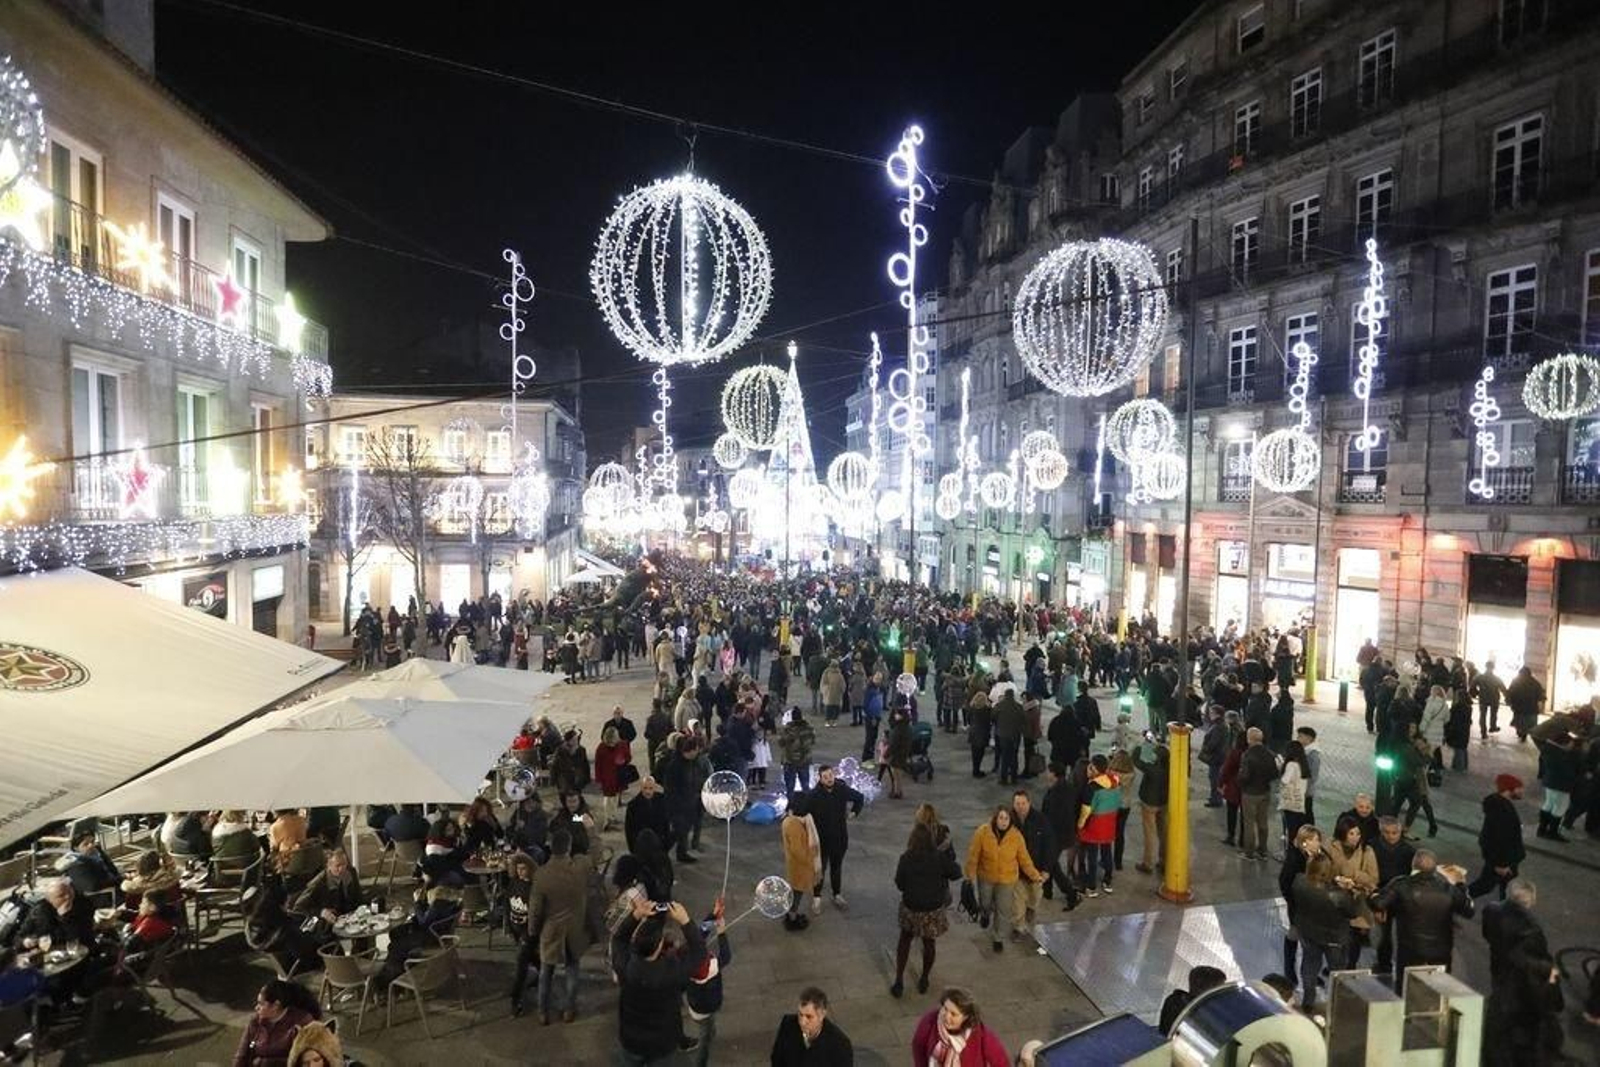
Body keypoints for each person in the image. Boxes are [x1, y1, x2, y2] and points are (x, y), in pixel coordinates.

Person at [612, 896, 707, 1066]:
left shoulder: (625, 966)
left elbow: (619, 938)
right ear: (658, 947)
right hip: (662, 1042)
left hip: (632, 1039)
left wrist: (636, 915)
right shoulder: (673, 971)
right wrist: (685, 921)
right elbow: (699, 953)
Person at [1482, 879, 1565, 1066]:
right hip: (1519, 982)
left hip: (1499, 969)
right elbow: (1529, 959)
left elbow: (1488, 934)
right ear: (1531, 901)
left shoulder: (1491, 910)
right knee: (1519, 1022)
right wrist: (1547, 970)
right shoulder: (1531, 929)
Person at [1370, 850, 1473, 981]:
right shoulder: (1448, 889)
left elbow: (1378, 903)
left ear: (1413, 864)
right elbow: (1469, 910)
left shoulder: (1401, 884)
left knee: (1406, 986)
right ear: (1435, 868)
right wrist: (1461, 885)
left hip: (1410, 951)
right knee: (1438, 987)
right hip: (1441, 952)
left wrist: (1373, 894)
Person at [890, 821, 962, 998]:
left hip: (911, 907)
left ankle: (899, 980)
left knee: (905, 940)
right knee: (929, 943)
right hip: (932, 909)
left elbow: (899, 883)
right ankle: (924, 978)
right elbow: (956, 873)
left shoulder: (906, 858)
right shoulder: (938, 858)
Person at [527, 829, 590, 1025]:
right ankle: (569, 1009)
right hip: (575, 927)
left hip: (551, 929)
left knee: (546, 972)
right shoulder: (580, 868)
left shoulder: (542, 875)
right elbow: (595, 852)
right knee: (572, 968)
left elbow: (535, 910)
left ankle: (543, 1012)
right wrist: (590, 829)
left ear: (551, 847)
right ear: (568, 847)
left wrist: (532, 931)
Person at [964, 806, 1043, 954]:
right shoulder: (982, 832)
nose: (1003, 821)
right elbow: (973, 854)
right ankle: (985, 914)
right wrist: (970, 875)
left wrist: (1034, 875)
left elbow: (1024, 859)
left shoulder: (1016, 836)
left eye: (1006, 818)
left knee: (1003, 909)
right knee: (985, 902)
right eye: (1001, 818)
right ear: (995, 818)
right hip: (986, 876)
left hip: (1007, 880)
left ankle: (998, 937)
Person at [1290, 853, 1361, 1009]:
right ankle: (1338, 1003)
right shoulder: (1338, 895)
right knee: (1337, 970)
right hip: (1334, 938)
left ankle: (1308, 1001)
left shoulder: (1298, 882)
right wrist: (1351, 892)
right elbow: (1353, 913)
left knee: (1309, 966)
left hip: (1308, 932)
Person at [807, 766, 864, 912]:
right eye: (825, 777)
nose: (829, 779)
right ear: (820, 778)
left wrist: (853, 813)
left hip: (839, 838)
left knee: (836, 867)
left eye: (831, 775)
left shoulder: (841, 789)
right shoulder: (814, 795)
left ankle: (837, 894)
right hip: (821, 840)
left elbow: (859, 798)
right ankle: (816, 898)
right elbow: (803, 810)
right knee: (820, 869)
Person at [1325, 815, 1379, 967]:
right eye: (1351, 833)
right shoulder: (1330, 846)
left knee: (1354, 938)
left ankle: (1350, 966)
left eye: (1358, 833)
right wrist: (1336, 879)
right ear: (1342, 833)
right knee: (1335, 937)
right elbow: (1323, 870)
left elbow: (1373, 879)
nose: (1356, 837)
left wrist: (1353, 875)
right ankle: (1334, 966)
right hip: (1336, 899)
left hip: (1357, 902)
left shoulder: (1367, 851)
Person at [910, 987, 1008, 1066]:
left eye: (953, 1014)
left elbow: (1001, 1062)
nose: (946, 1016)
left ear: (966, 1017)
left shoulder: (981, 1034)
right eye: (945, 1008)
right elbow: (918, 1047)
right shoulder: (930, 1021)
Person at [1277, 825, 1324, 985]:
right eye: (1313, 840)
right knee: (1295, 935)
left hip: (1315, 907)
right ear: (1304, 842)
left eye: (1317, 839)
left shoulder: (1320, 856)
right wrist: (1294, 901)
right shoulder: (1294, 859)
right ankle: (1289, 970)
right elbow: (1285, 883)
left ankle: (1309, 972)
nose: (1317, 843)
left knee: (1311, 943)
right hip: (1299, 908)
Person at [234, 978, 317, 1067]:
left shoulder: (301, 1022)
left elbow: (303, 1059)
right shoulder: (255, 1022)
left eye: (261, 1004)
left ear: (275, 1005)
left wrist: (265, 1062)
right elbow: (241, 1055)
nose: (256, 1008)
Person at [685, 909, 731, 1067]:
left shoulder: (687, 959)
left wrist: (713, 914)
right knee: (705, 1040)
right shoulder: (709, 968)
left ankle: (710, 1033)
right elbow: (726, 955)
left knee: (707, 1027)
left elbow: (700, 934)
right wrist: (721, 932)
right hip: (706, 1008)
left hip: (694, 1003)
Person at [1468, 775, 1526, 900]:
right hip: (1502, 860)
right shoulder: (1501, 811)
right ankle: (1458, 898)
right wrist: (1500, 864)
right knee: (1485, 886)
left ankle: (1505, 905)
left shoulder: (1501, 805)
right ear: (1509, 789)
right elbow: (1496, 839)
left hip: (1507, 859)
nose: (1522, 791)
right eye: (1519, 788)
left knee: (1506, 885)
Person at [1009, 790, 1055, 935]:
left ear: (1029, 803)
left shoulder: (1041, 820)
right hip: (1016, 871)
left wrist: (1046, 869)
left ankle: (1030, 911)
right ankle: (1018, 927)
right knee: (1017, 903)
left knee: (1034, 899)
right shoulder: (1009, 820)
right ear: (1013, 804)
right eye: (1017, 803)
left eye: (1023, 803)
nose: (1020, 807)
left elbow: (1049, 845)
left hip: (1036, 870)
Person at [770, 986, 854, 1066]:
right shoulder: (788, 1024)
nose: (802, 1022)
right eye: (800, 1014)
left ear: (822, 1015)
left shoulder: (840, 1044)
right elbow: (777, 1058)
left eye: (809, 1017)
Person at [1078, 753, 1120, 898]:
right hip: (1110, 821)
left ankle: (1091, 886)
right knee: (1107, 850)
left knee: (1092, 855)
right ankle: (1108, 881)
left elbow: (1086, 810)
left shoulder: (1092, 787)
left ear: (1094, 768)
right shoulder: (1114, 781)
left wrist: (1080, 825)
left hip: (1095, 824)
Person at [1237, 727, 1280, 861]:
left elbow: (1244, 776)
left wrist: (1240, 782)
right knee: (1263, 822)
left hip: (1250, 793)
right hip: (1265, 791)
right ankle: (1263, 851)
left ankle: (1249, 852)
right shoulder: (1270, 754)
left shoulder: (1247, 755)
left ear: (1249, 739)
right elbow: (1275, 774)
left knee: (1249, 824)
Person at [291, 849, 364, 925]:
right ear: (329, 866)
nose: (342, 869)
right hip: (330, 923)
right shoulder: (318, 883)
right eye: (338, 866)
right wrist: (321, 912)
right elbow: (298, 908)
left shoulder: (351, 873)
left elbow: (359, 897)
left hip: (352, 919)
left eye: (344, 864)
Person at [782, 793, 822, 931]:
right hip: (799, 866)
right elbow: (798, 850)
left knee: (796, 891)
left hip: (797, 865)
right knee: (797, 892)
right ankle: (791, 917)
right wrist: (811, 857)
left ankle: (791, 914)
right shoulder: (793, 824)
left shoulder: (792, 820)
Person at [1158, 965, 1228, 1036]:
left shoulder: (1177, 1000)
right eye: (1218, 988)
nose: (1221, 992)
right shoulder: (1187, 1008)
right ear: (1203, 987)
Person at [1133, 740, 1169, 875]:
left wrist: (1143, 746)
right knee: (1163, 832)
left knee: (1149, 834)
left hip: (1149, 803)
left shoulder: (1152, 768)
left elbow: (1136, 759)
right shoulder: (1170, 768)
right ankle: (1164, 860)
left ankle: (1148, 863)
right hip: (1164, 802)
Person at [624, 776, 672, 855]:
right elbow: (629, 830)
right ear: (641, 788)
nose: (648, 791)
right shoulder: (633, 806)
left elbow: (666, 824)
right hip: (641, 847)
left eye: (650, 788)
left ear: (654, 788)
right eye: (645, 788)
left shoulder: (662, 800)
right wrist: (633, 849)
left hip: (659, 845)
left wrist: (666, 845)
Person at [1277, 740, 1311, 847]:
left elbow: (1285, 781)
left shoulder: (1291, 765)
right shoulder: (1303, 766)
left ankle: (1289, 853)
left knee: (1290, 832)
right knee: (1297, 832)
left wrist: (1280, 767)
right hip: (1299, 803)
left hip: (1289, 803)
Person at [780, 707, 818, 796]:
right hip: (805, 760)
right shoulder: (809, 728)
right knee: (805, 786)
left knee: (790, 787)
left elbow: (781, 742)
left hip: (789, 760)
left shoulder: (787, 729)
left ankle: (791, 803)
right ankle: (807, 803)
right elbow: (813, 741)